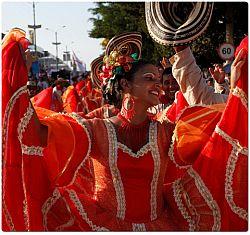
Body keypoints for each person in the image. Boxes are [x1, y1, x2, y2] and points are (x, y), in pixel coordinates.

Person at [2, 29, 247, 231]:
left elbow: (222, 137)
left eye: (159, 79)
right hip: (103, 226)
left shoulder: (167, 133)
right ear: (125, 84)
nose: (159, 85)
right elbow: (36, 134)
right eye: (149, 78)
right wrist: (17, 82)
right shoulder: (95, 129)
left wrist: (236, 87)